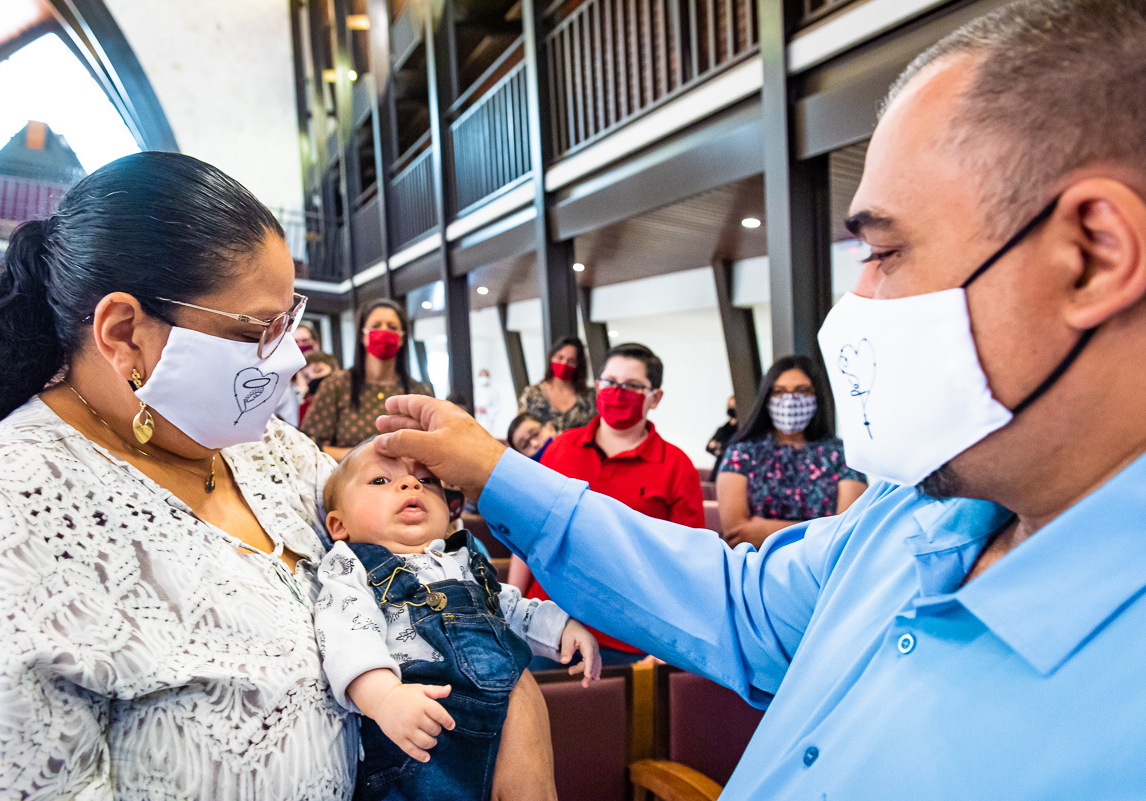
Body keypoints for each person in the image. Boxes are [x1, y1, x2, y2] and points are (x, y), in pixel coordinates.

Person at [370, 2, 1146, 795]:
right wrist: (496, 469)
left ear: (1090, 255)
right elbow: (739, 605)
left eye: (885, 251)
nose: (858, 297)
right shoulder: (916, 512)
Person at [0, 152, 554, 801]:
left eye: (290, 321)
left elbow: (428, 576)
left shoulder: (268, 450)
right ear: (125, 333)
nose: (291, 359)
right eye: (260, 330)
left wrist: (516, 712)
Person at [314, 440, 600, 801]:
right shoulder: (352, 568)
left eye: (426, 480)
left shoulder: (463, 561)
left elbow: (508, 608)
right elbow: (348, 637)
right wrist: (385, 698)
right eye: (380, 481)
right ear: (339, 525)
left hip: (496, 731)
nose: (410, 485)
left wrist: (560, 628)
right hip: (421, 734)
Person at [512, 343, 704, 665]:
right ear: (598, 386)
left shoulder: (676, 466)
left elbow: (688, 565)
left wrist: (677, 644)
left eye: (631, 386)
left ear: (654, 397)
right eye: (610, 382)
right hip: (549, 627)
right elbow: (527, 534)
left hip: (631, 637)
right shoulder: (560, 449)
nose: (617, 392)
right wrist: (509, 613)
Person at [716, 356, 867, 549]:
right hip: (755, 569)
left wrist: (763, 530)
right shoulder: (742, 452)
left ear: (817, 396)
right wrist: (819, 529)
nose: (790, 400)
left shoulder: (843, 454)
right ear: (767, 397)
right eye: (779, 392)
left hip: (821, 572)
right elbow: (736, 533)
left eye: (801, 391)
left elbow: (846, 532)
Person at [300, 298, 433, 460]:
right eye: (376, 326)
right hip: (350, 481)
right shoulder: (337, 385)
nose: (384, 331)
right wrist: (366, 455)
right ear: (363, 336)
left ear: (401, 338)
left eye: (392, 327)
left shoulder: (417, 392)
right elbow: (307, 445)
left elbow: (429, 447)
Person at [517, 337, 596, 432]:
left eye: (571, 361)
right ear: (552, 357)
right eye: (560, 358)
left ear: (578, 365)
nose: (564, 363)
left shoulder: (589, 396)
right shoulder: (532, 393)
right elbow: (519, 429)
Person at [296, 350, 340, 424]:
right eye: (306, 377)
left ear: (334, 369)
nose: (312, 377)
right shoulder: (305, 405)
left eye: (318, 370)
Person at [704, 393, 737, 476]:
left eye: (734, 407)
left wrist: (720, 447)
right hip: (717, 471)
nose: (731, 409)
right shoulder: (722, 429)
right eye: (730, 407)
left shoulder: (742, 430)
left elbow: (731, 449)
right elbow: (709, 447)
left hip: (731, 473)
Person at [474, 368, 502, 434]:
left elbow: (496, 408)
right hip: (475, 418)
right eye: (482, 375)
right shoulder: (474, 390)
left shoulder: (493, 392)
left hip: (487, 421)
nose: (484, 378)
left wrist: (486, 410)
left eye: (486, 375)